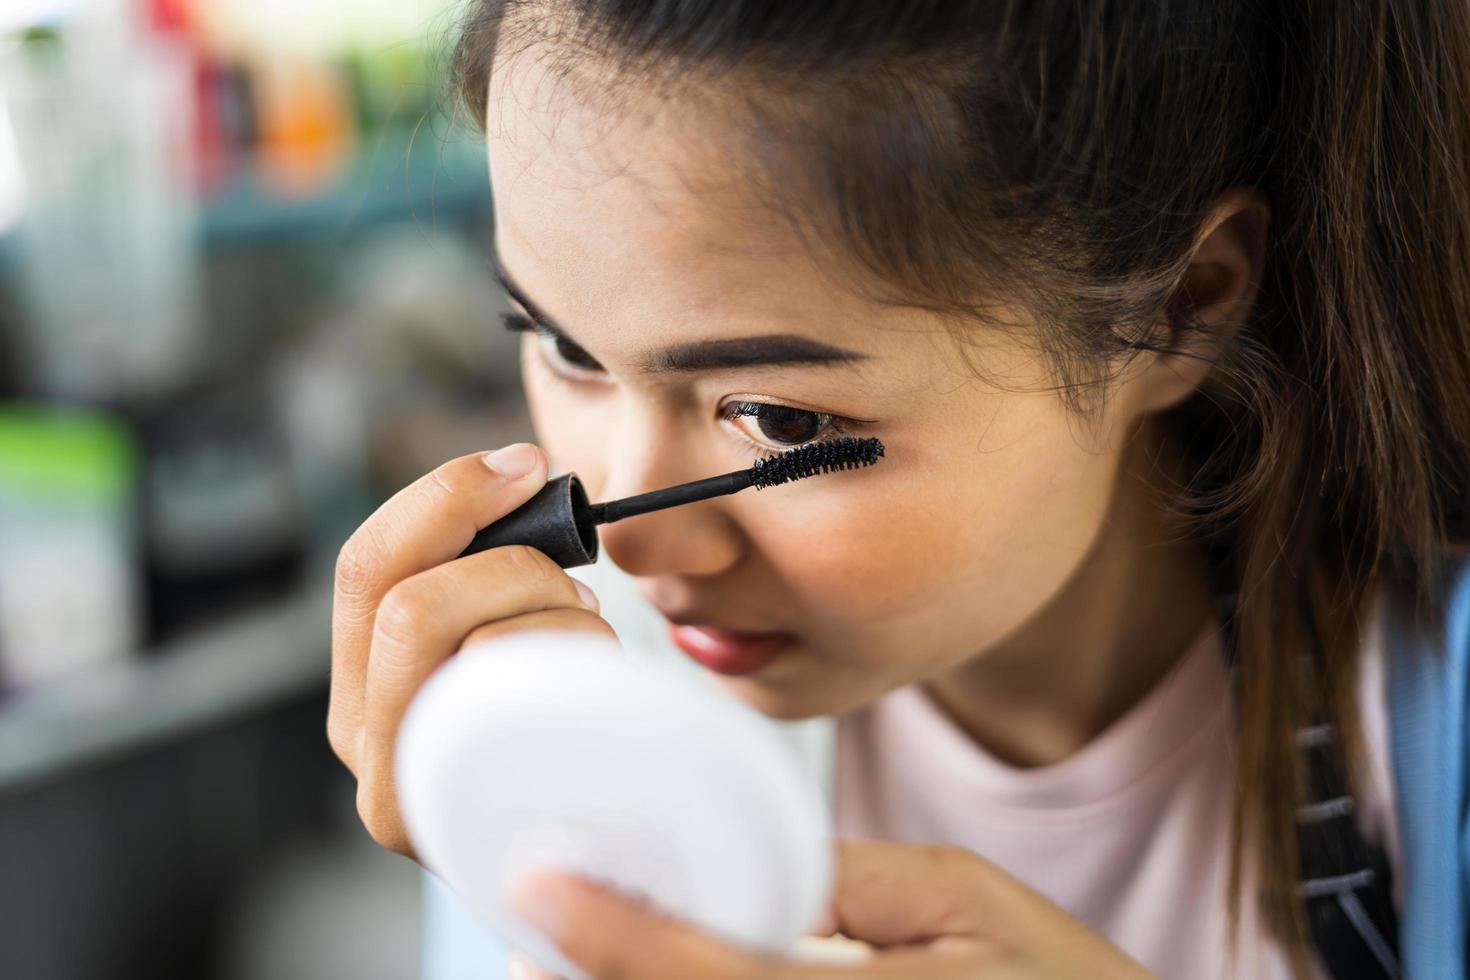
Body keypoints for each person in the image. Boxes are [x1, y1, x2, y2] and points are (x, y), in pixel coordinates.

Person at [326, 2, 1470, 977]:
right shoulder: (575, 724)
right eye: (562, 346)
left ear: (1182, 309)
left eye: (781, 418)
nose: (635, 549)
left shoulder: (1429, 722)